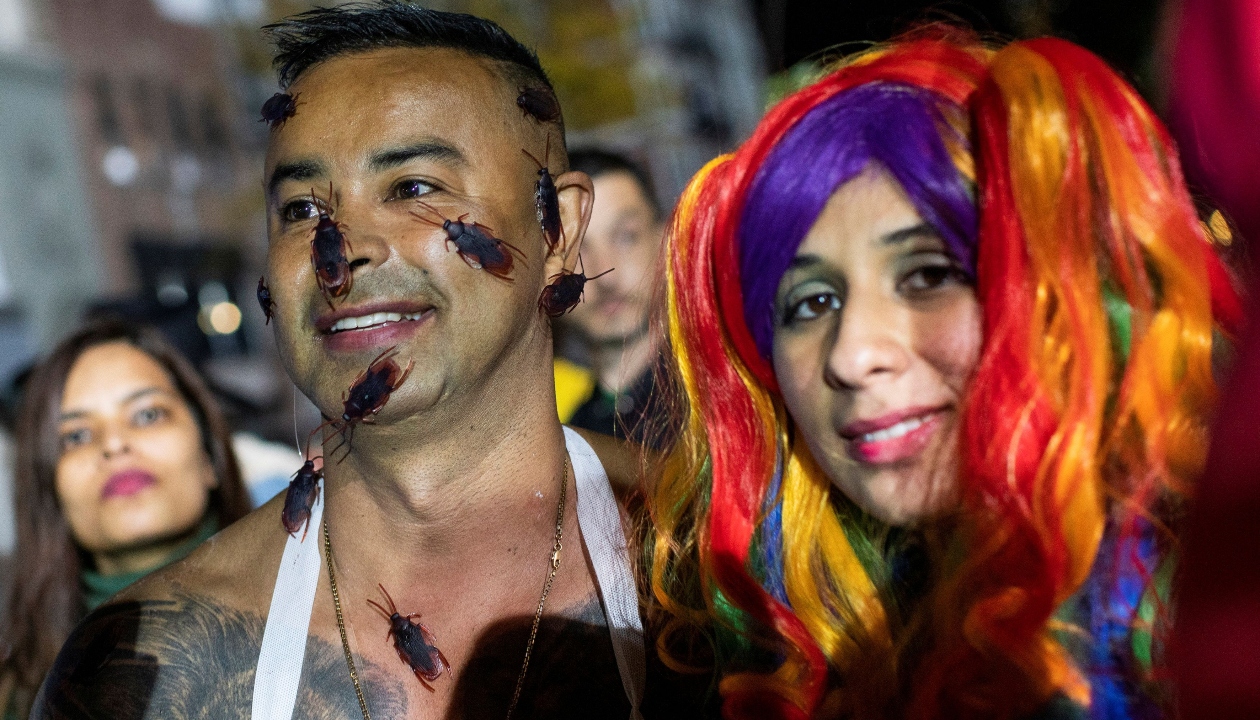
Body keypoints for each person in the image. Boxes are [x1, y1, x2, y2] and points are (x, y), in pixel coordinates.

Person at [32, 5, 653, 718]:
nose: (348, 241)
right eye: (300, 209)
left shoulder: (735, 555)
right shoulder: (139, 670)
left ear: (560, 231)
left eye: (414, 188)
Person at [647, 31, 1241, 720]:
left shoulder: (1210, 603)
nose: (852, 355)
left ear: (1062, 291)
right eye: (811, 303)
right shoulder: (811, 645)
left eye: (929, 275)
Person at [0, 320, 251, 718]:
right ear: (50, 493)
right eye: (77, 437)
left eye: (148, 414)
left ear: (209, 458)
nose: (114, 444)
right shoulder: (16, 696)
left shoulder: (322, 611)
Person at [558, 149, 670, 447]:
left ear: (663, 241)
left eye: (625, 237)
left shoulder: (723, 394)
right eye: (576, 251)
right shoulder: (573, 448)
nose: (605, 277)